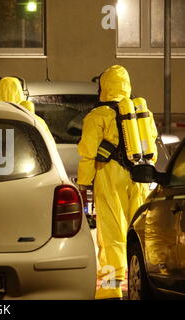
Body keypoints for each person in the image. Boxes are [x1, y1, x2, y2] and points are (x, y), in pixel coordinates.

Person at [77, 65, 157, 299]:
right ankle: (142, 281)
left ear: (104, 86)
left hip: (109, 176)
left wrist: (84, 182)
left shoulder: (97, 116)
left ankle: (111, 288)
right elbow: (152, 149)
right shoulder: (144, 114)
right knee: (139, 233)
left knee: (111, 234)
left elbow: (87, 151)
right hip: (139, 177)